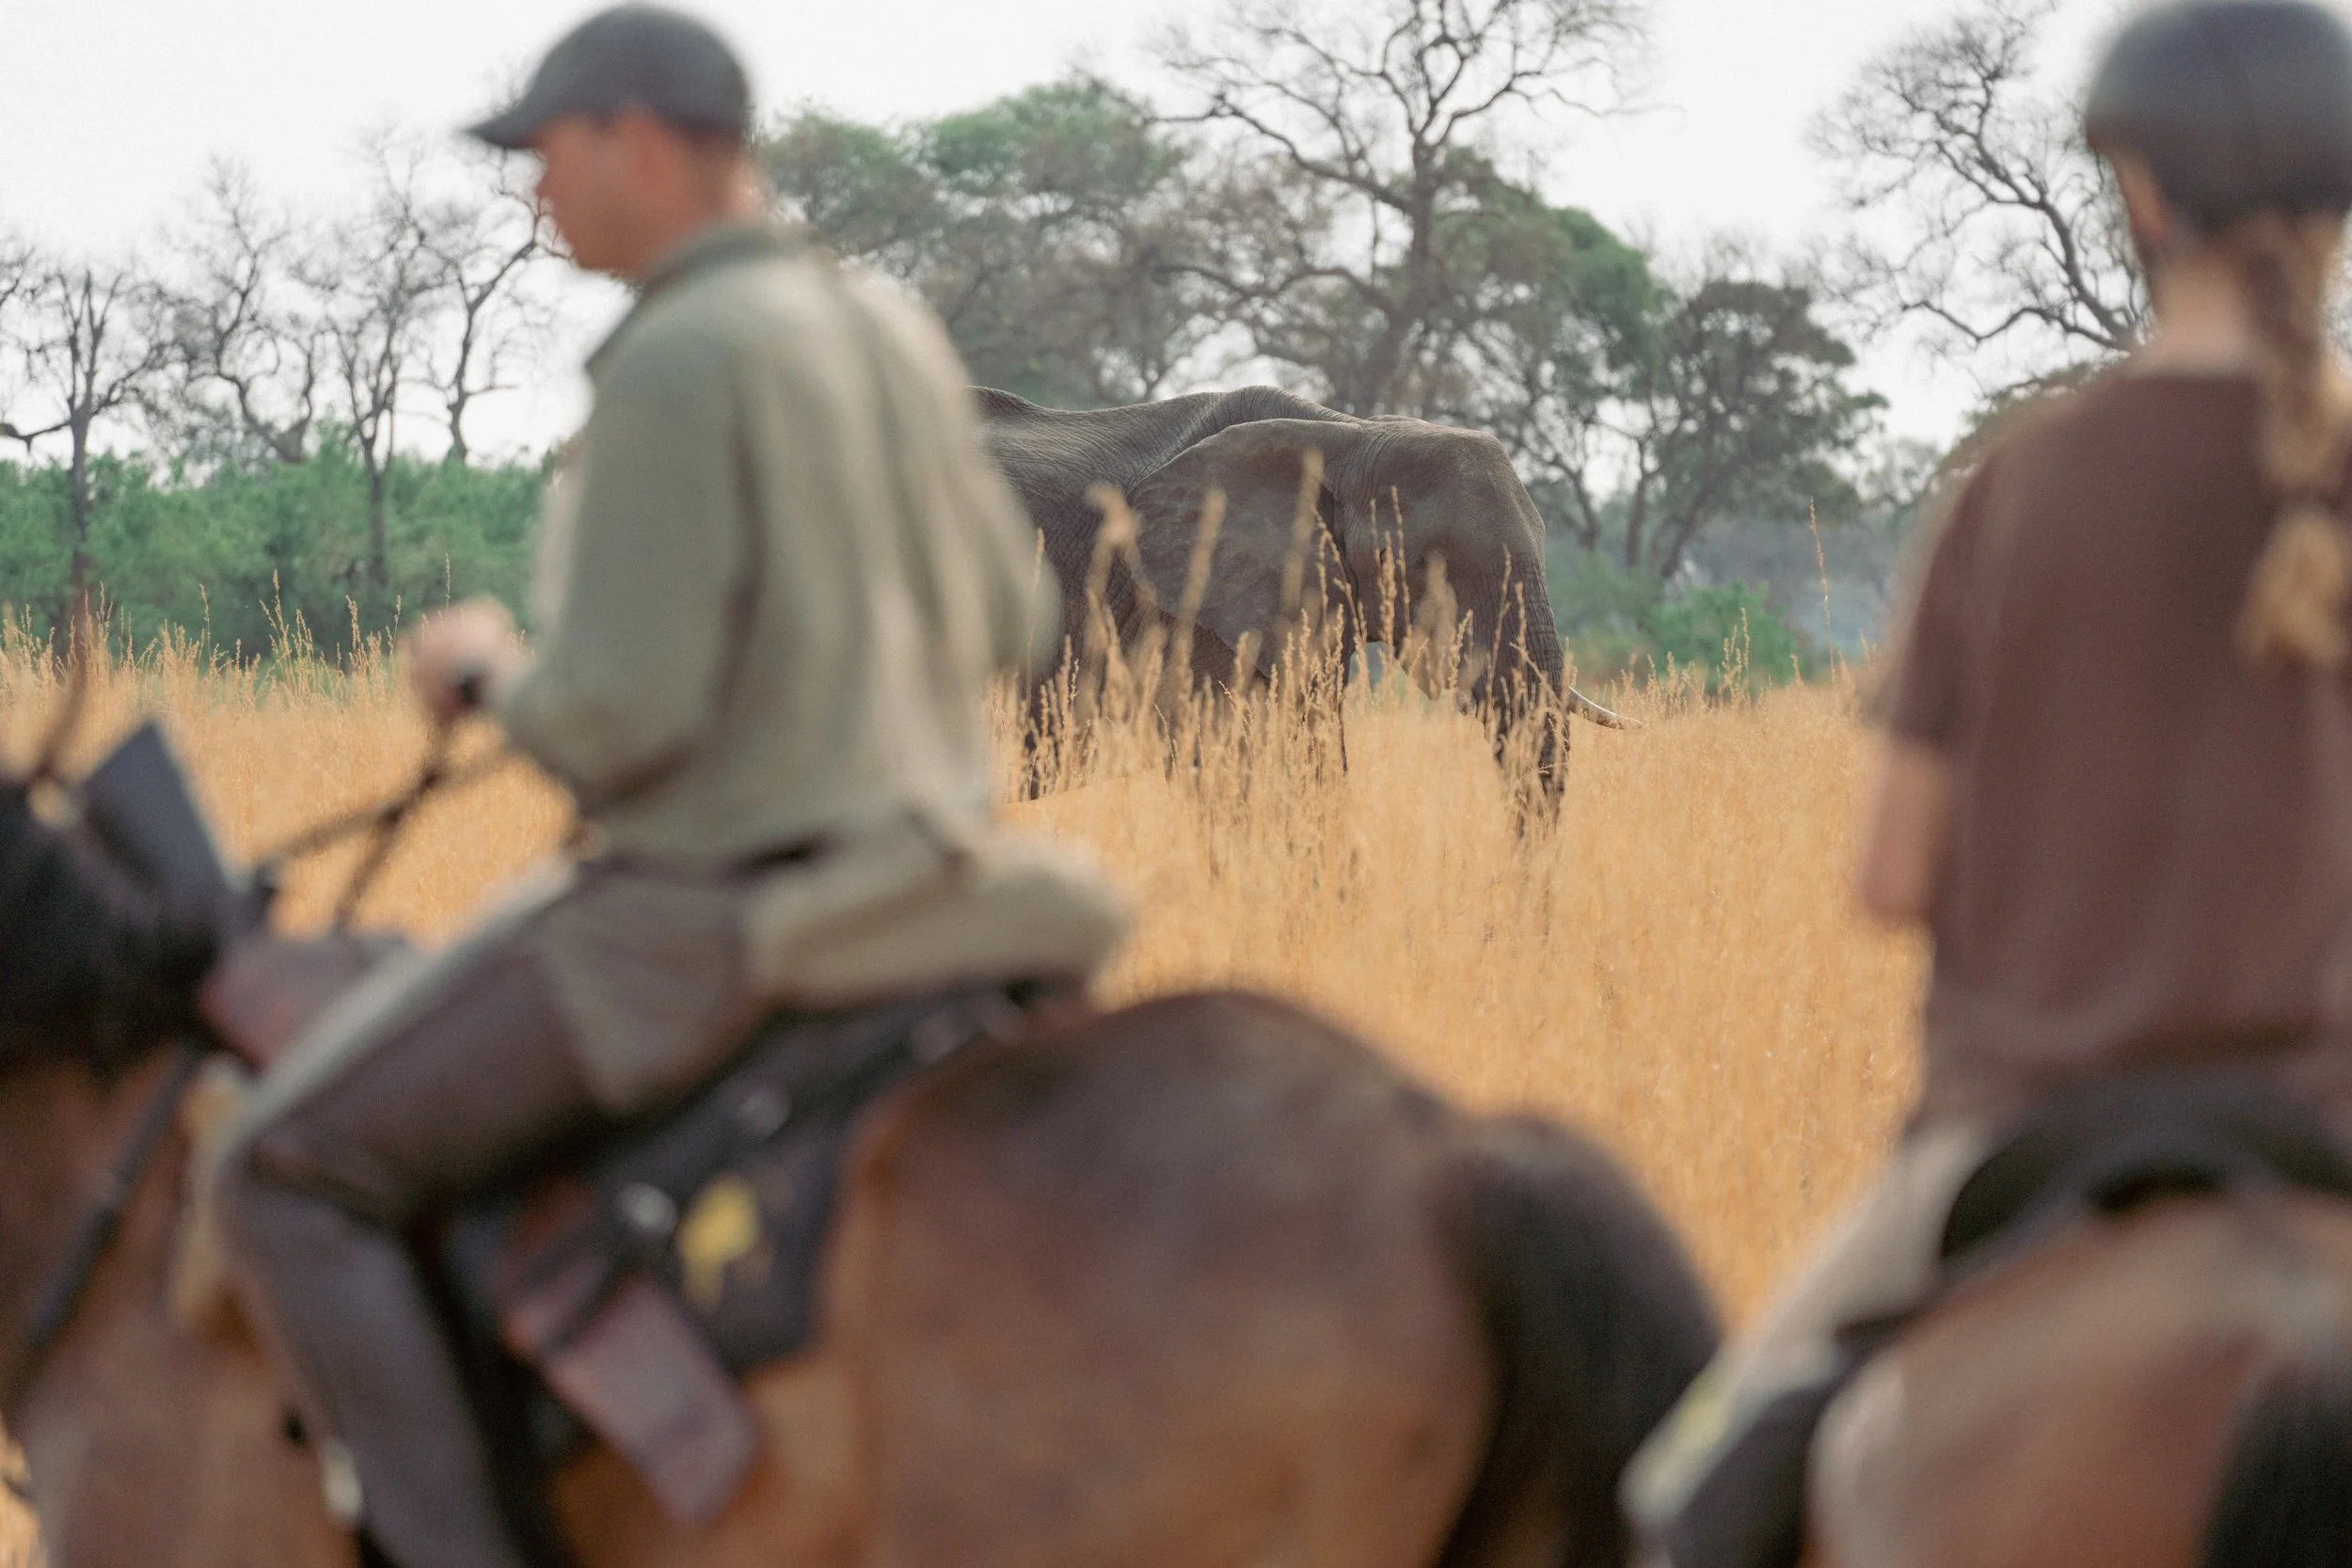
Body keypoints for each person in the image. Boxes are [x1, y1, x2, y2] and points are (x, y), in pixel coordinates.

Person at [212, 8, 1047, 1566]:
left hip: (716, 909)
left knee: (275, 1165)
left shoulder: (677, 354)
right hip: (941, 875)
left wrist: (485, 671)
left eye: (548, 156)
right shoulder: (887, 329)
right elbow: (1019, 618)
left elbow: (616, 719)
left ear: (640, 144)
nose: (538, 198)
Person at [1623, 4, 2352, 1564]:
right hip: (2330, 1117)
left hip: (2022, 1126)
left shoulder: (2019, 486)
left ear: (2139, 195)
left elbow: (1890, 874)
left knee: (1678, 1494)